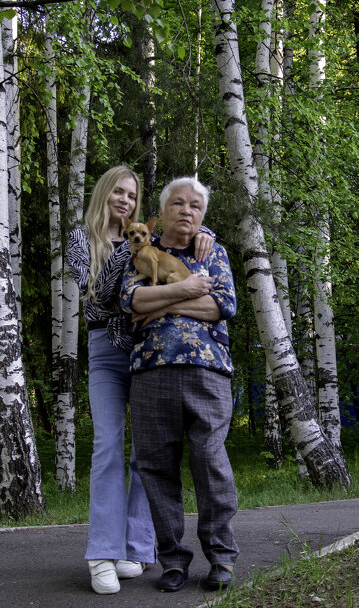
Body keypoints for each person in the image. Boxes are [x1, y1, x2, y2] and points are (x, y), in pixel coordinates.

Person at [67, 166, 213, 595]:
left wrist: (208, 237)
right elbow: (95, 302)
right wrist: (130, 250)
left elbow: (180, 240)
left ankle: (135, 546)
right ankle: (102, 553)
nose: (125, 200)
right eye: (118, 192)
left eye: (132, 195)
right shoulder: (83, 240)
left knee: (146, 452)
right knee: (108, 446)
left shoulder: (143, 239)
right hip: (107, 351)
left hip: (149, 347)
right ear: (104, 194)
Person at [120, 176, 238, 594]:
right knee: (156, 468)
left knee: (210, 461)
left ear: (202, 216)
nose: (187, 211)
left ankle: (221, 557)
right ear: (160, 213)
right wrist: (187, 297)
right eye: (179, 204)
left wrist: (163, 303)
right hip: (151, 371)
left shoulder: (214, 251)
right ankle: (172, 561)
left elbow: (223, 305)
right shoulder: (133, 253)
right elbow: (131, 301)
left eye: (196, 206)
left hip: (208, 370)